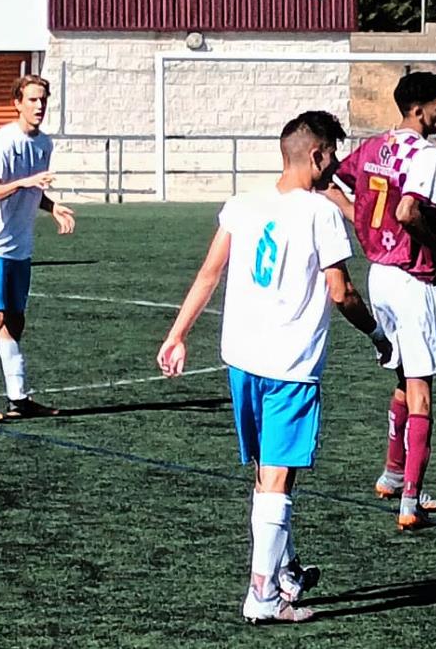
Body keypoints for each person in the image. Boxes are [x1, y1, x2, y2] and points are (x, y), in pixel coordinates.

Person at [157, 111, 391, 624]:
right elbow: (341, 291)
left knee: (270, 475)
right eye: (333, 155)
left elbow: (209, 272)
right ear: (317, 155)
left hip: (242, 359)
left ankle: (283, 570)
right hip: (290, 365)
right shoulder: (320, 212)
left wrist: (177, 335)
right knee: (278, 480)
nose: (334, 168)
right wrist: (376, 334)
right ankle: (262, 598)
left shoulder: (242, 204)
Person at [328, 71, 436, 531]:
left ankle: (392, 472)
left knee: (404, 376)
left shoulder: (373, 146)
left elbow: (328, 182)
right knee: (422, 392)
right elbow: (407, 211)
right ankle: (410, 502)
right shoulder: (424, 154)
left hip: (379, 274)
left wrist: (357, 219)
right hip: (409, 276)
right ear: (419, 109)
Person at [0, 75, 76, 424]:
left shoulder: (44, 143)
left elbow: (34, 190)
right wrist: (25, 182)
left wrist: (52, 206)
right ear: (17, 103)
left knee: (15, 320)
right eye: (32, 100)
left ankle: (19, 398)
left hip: (20, 248)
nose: (39, 106)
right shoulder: (3, 142)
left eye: (43, 99)